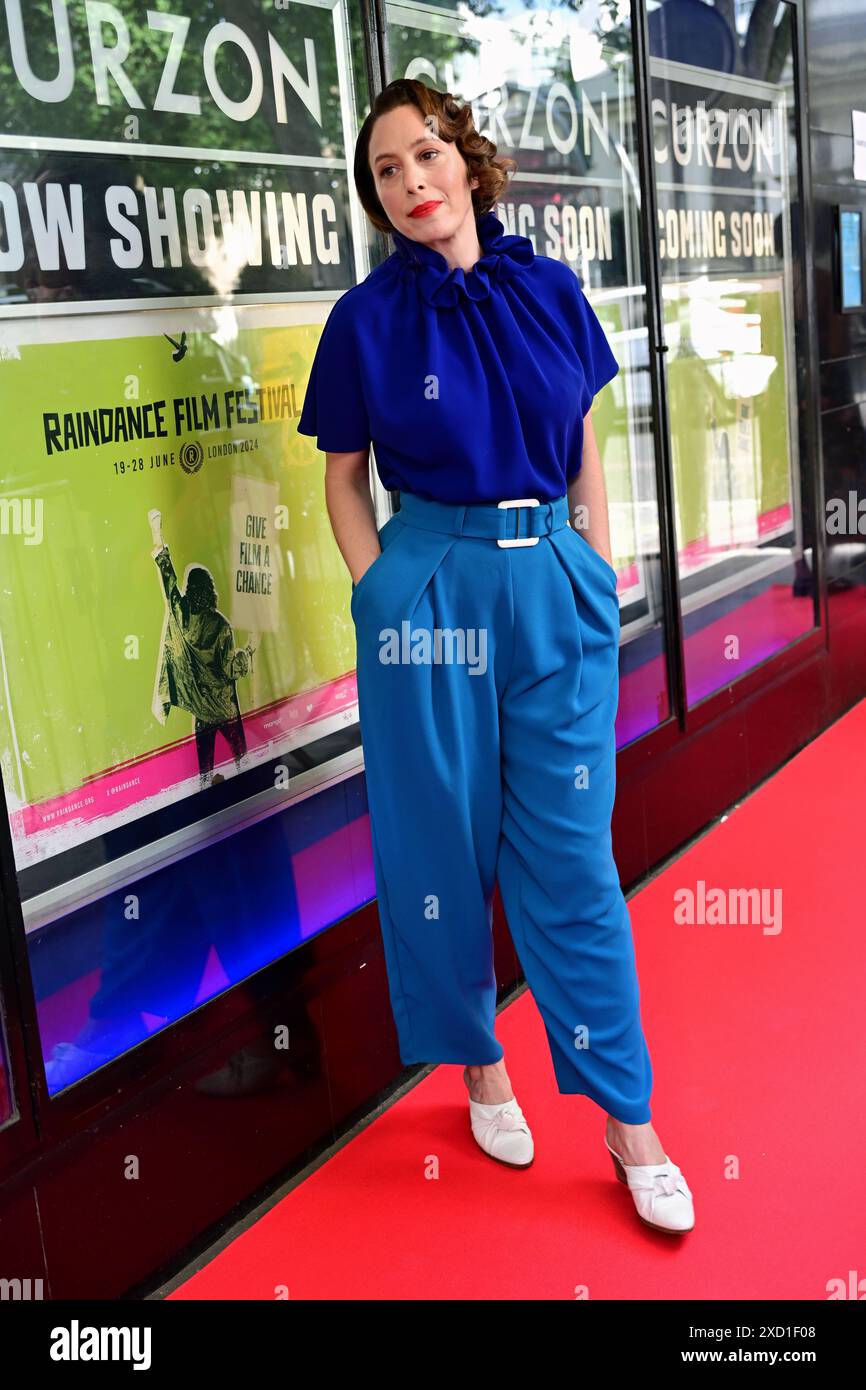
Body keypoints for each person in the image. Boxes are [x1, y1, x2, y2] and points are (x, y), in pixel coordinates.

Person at [297, 79, 694, 1235]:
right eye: (385, 171)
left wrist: (595, 566)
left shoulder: (549, 290)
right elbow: (341, 473)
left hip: (549, 579)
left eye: (425, 155)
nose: (412, 182)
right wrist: (379, 593)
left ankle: (630, 1122)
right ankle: (477, 1065)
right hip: (428, 582)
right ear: (376, 199)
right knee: (440, 840)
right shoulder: (365, 321)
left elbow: (582, 444)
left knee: (568, 858)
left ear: (466, 163)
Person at [149, 509, 254, 790]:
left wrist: (159, 542)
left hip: (202, 714)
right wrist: (248, 654)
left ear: (189, 588)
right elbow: (232, 668)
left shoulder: (182, 616)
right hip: (226, 708)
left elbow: (169, 585)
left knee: (204, 773)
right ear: (210, 589)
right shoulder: (221, 625)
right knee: (244, 761)